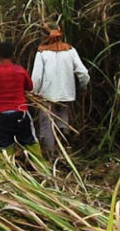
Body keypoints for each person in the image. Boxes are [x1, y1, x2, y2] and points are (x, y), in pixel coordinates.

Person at [0, 41, 43, 160]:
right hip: (20, 112)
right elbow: (30, 87)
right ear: (13, 54)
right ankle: (41, 169)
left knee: (4, 146)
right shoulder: (20, 71)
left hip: (1, 115)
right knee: (30, 142)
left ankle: (7, 173)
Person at [32, 26, 90, 157]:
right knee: (62, 118)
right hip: (66, 94)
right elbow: (83, 73)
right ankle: (65, 148)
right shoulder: (70, 51)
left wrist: (34, 93)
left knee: (47, 125)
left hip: (47, 96)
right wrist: (83, 86)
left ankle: (50, 154)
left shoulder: (42, 53)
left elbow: (36, 78)